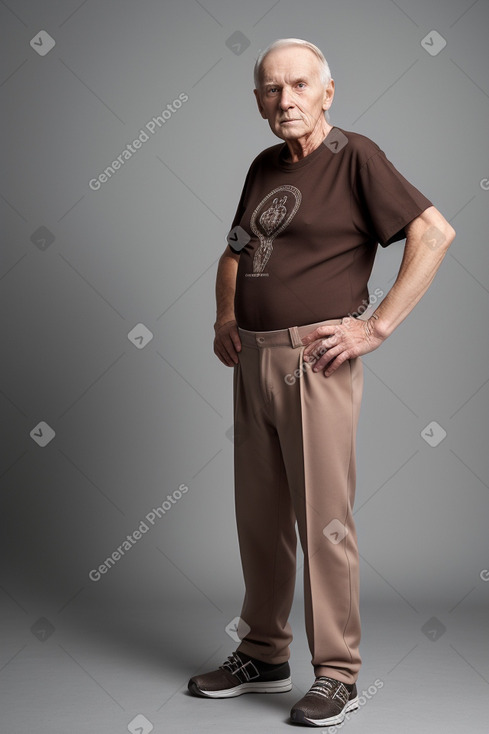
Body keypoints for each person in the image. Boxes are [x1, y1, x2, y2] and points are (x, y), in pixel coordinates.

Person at [187, 38, 455, 728]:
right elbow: (235, 250)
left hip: (315, 362)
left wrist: (375, 328)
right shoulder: (263, 165)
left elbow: (434, 233)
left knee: (324, 522)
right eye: (272, 90)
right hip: (251, 359)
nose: (286, 100)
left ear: (326, 92)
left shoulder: (354, 156)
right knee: (260, 515)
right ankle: (262, 653)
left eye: (299, 86)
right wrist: (226, 314)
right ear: (258, 103)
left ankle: (337, 672)